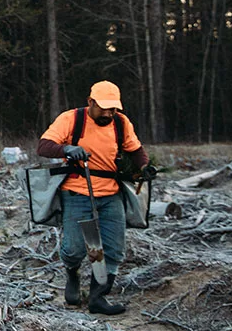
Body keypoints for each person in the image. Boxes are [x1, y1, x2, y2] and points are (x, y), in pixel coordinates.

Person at [37, 80, 155, 315]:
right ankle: (72, 272)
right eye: (104, 108)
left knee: (113, 248)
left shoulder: (121, 123)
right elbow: (43, 146)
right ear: (90, 102)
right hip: (77, 193)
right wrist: (66, 150)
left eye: (113, 109)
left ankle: (97, 298)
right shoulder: (71, 119)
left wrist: (144, 168)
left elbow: (135, 149)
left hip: (112, 194)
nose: (109, 113)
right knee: (75, 249)